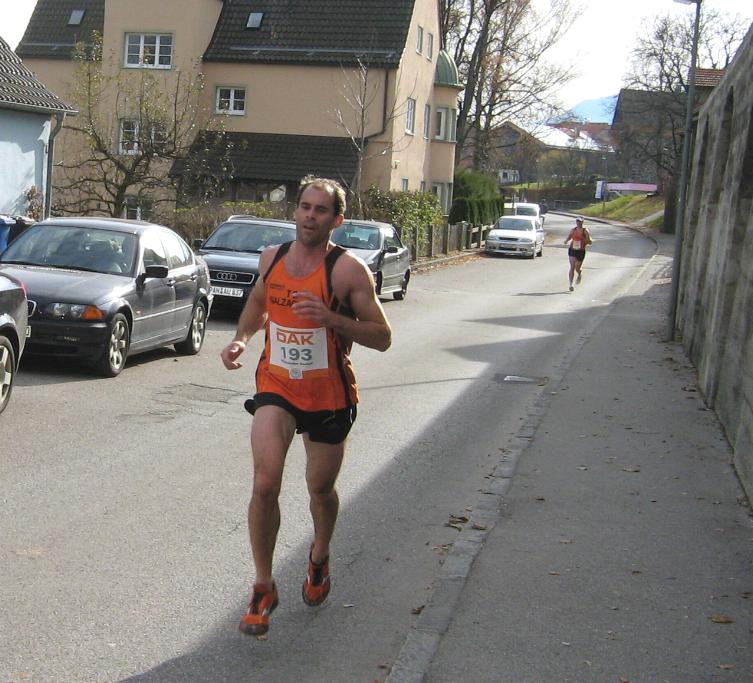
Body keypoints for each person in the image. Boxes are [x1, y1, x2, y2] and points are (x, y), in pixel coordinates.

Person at [220, 176, 392, 637]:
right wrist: (241, 339)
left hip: (328, 394)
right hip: (276, 385)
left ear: (336, 220)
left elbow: (382, 337)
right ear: (295, 211)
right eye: (304, 207)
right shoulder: (271, 258)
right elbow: (259, 302)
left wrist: (331, 318)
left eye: (320, 210)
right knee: (264, 483)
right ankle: (263, 586)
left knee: (320, 488)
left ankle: (319, 556)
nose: (310, 216)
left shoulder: (349, 271)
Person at [564, 216, 592, 291]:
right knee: (572, 266)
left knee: (577, 268)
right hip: (572, 250)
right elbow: (569, 236)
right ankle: (571, 284)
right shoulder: (573, 230)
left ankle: (579, 274)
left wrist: (586, 240)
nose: (578, 222)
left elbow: (590, 241)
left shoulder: (585, 231)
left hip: (581, 251)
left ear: (582, 222)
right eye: (577, 221)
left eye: (579, 221)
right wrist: (566, 240)